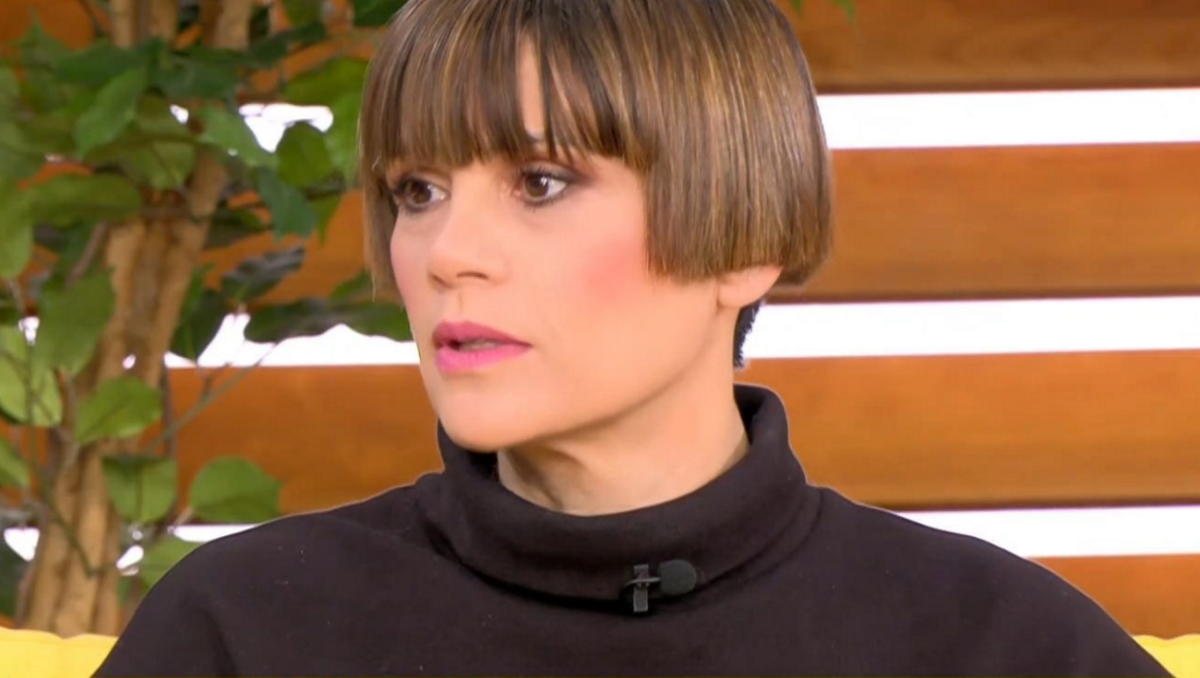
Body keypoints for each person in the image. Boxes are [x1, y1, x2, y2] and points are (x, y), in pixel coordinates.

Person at [95, 0, 1172, 675]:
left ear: (748, 240)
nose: (447, 252)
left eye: (541, 182)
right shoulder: (242, 633)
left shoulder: (1001, 646)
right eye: (417, 190)